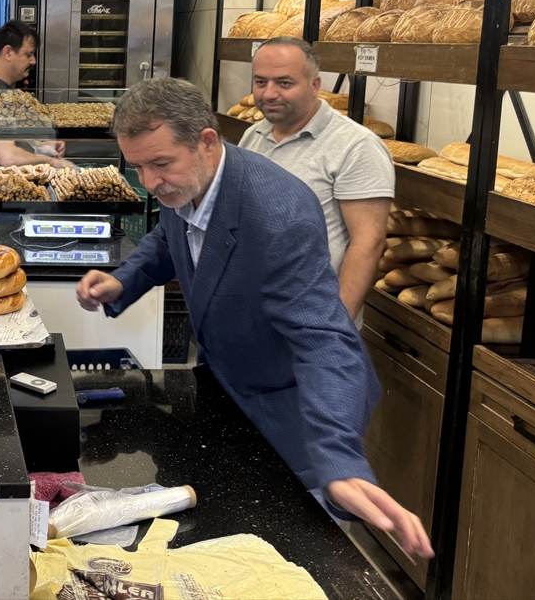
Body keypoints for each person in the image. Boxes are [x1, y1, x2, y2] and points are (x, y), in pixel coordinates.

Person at [74, 78, 432, 559]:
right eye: (137, 167)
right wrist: (125, 281)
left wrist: (340, 459)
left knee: (284, 559)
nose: (150, 182)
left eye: (159, 164)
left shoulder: (278, 215)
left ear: (206, 141)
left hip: (291, 412)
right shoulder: (189, 180)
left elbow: (324, 340)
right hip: (226, 391)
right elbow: (170, 236)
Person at [240, 38, 393, 322]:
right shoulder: (254, 135)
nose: (269, 93)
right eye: (260, 82)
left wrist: (335, 325)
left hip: (310, 321)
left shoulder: (356, 146)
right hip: (253, 313)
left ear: (314, 85)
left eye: (284, 83)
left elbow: (368, 243)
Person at [0, 20, 77, 168]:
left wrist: (42, 147)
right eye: (28, 54)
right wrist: (52, 162)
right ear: (8, 53)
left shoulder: (3, 88)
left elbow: (9, 136)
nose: (33, 61)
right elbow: (9, 157)